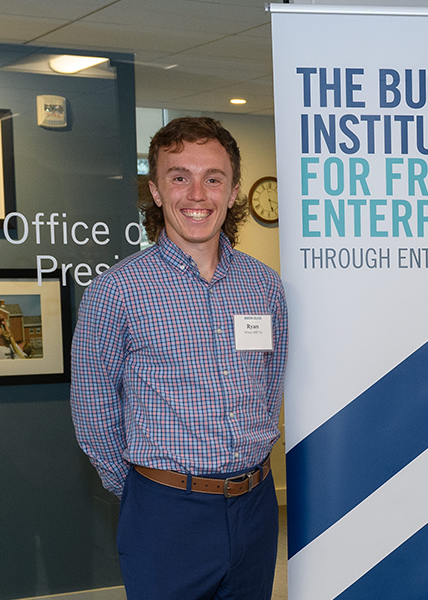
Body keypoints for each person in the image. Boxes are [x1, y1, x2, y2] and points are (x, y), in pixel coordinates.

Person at [70, 117, 288, 600]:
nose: (197, 194)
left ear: (232, 192)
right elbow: (92, 407)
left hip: (255, 506)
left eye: (213, 178)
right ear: (155, 190)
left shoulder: (264, 284)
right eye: (179, 176)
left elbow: (269, 384)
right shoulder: (117, 290)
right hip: (166, 512)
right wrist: (145, 493)